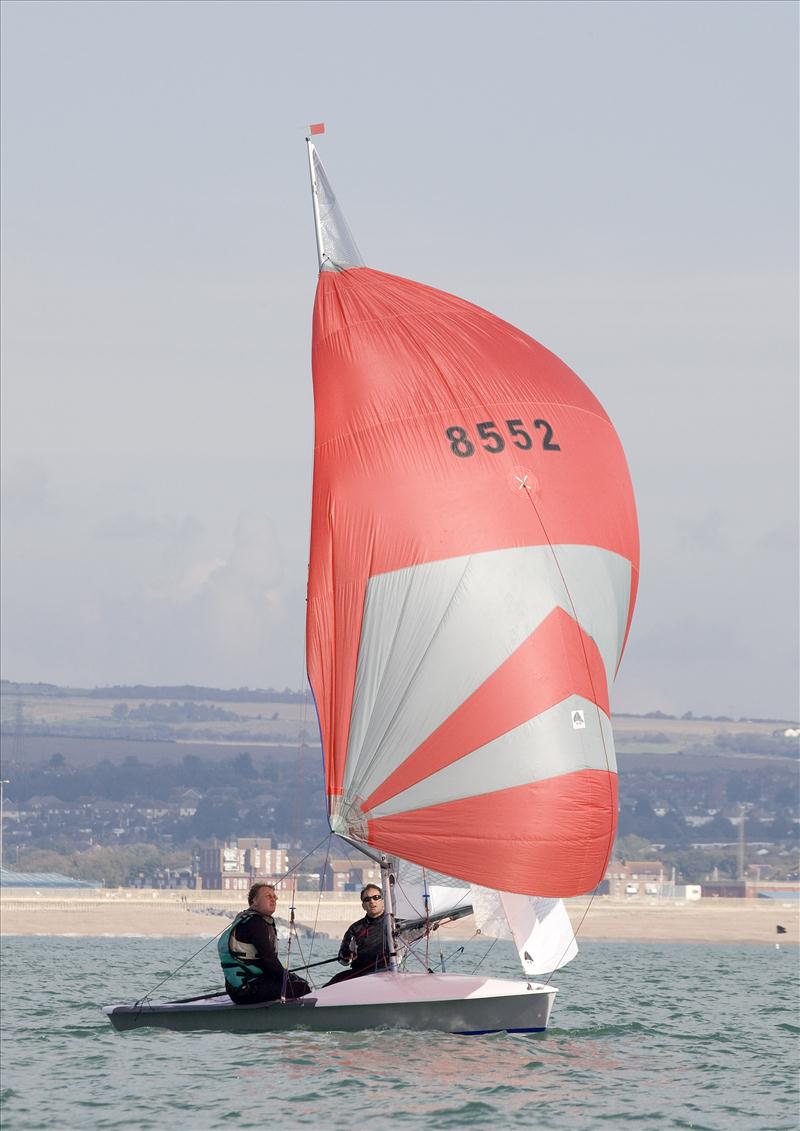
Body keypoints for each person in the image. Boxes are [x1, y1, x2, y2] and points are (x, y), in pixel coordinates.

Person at [218, 882, 310, 1004]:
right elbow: (269, 960)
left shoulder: (250, 919)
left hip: (240, 988)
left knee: (295, 983)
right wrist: (288, 978)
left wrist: (288, 977)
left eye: (274, 897)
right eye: (268, 896)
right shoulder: (255, 923)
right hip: (246, 990)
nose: (273, 899)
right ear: (254, 901)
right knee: (302, 987)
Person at [325, 884, 393, 986]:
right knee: (333, 983)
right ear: (363, 906)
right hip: (361, 973)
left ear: (383, 901)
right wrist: (346, 954)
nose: (372, 901)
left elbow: (418, 930)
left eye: (376, 897)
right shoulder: (355, 929)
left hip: (388, 972)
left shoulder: (395, 924)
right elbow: (343, 960)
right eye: (367, 899)